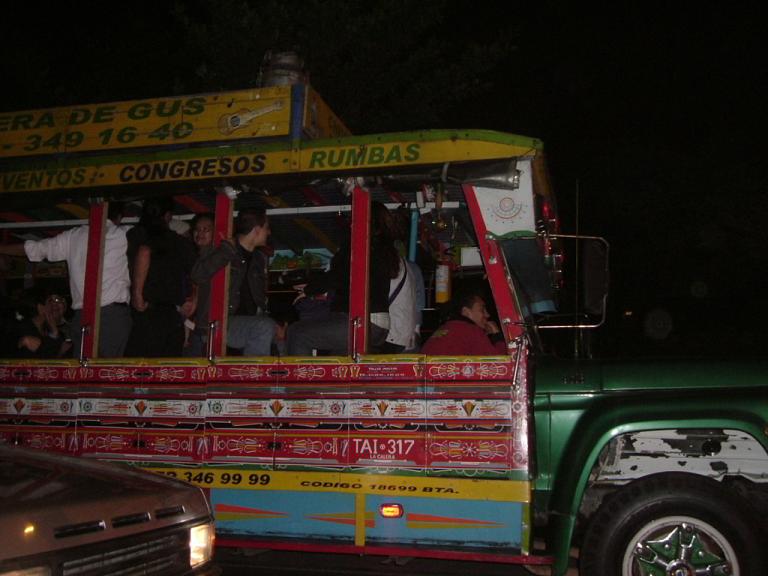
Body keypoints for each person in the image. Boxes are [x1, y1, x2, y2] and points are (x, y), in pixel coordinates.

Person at [0, 202, 132, 358]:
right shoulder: (125, 234)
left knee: (84, 367)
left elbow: (35, 248)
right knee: (107, 368)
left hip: (83, 316)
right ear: (119, 217)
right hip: (111, 315)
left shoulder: (73, 236)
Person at [286, 201, 400, 356]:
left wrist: (311, 288)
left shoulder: (360, 246)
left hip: (361, 321)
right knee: (339, 363)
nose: (351, 225)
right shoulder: (383, 249)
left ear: (366, 222)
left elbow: (341, 274)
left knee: (297, 333)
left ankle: (303, 373)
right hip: (379, 324)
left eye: (354, 220)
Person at [190, 208, 278, 356]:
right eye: (266, 228)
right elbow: (198, 275)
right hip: (221, 321)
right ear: (257, 230)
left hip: (245, 324)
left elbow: (258, 299)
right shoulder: (221, 248)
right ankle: (252, 370)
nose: (268, 232)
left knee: (279, 335)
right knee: (264, 327)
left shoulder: (258, 258)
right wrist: (226, 250)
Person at [125, 197, 196, 357]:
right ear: (168, 216)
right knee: (166, 365)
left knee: (138, 365)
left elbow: (144, 252)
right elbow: (197, 272)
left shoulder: (135, 234)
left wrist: (137, 294)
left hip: (145, 310)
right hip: (169, 312)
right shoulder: (178, 241)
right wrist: (193, 299)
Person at [420, 288, 507, 355]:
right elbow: (500, 363)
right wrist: (497, 335)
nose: (487, 315)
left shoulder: (444, 328)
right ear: (466, 312)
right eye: (482, 309)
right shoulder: (472, 331)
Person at [183, 213, 214, 357]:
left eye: (206, 229)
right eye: (197, 229)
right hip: (192, 324)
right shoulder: (193, 255)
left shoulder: (215, 258)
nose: (200, 233)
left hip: (206, 327)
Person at [13, 287, 71, 358]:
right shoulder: (24, 329)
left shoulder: (47, 328)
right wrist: (54, 333)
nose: (54, 306)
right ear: (40, 308)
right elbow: (44, 359)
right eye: (50, 301)